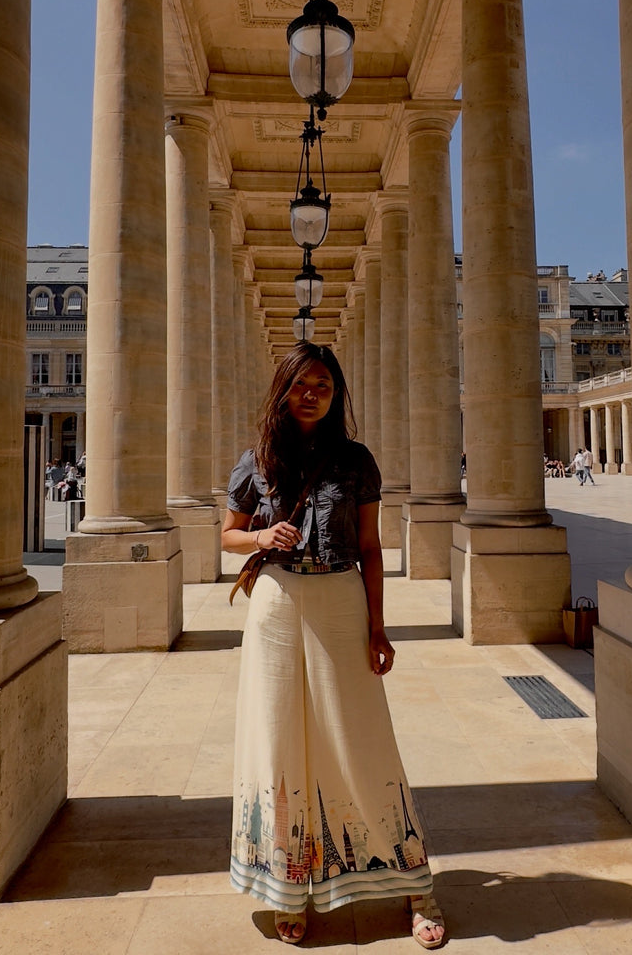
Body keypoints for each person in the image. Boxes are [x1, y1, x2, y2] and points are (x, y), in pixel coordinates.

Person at [221, 342, 445, 949]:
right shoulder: (257, 459)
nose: (313, 393)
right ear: (283, 389)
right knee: (278, 738)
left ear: (336, 392)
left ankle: (413, 883)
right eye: (302, 384)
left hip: (342, 599)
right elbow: (227, 536)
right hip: (274, 605)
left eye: (323, 383)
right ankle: (287, 887)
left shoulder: (356, 461)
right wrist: (263, 533)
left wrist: (378, 626)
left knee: (361, 736)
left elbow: (371, 549)